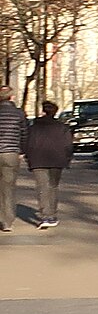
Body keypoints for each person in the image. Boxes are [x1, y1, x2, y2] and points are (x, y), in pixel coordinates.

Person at [23, 101, 73, 229]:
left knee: (42, 187)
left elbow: (28, 144)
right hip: (57, 160)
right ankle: (52, 215)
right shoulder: (62, 127)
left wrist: (28, 158)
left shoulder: (34, 128)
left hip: (38, 160)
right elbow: (68, 145)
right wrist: (67, 159)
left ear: (43, 111)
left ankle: (45, 215)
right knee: (53, 187)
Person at [0, 91, 24, 230]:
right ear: (11, 97)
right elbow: (24, 133)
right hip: (11, 152)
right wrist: (22, 150)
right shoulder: (18, 114)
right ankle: (7, 221)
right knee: (8, 187)